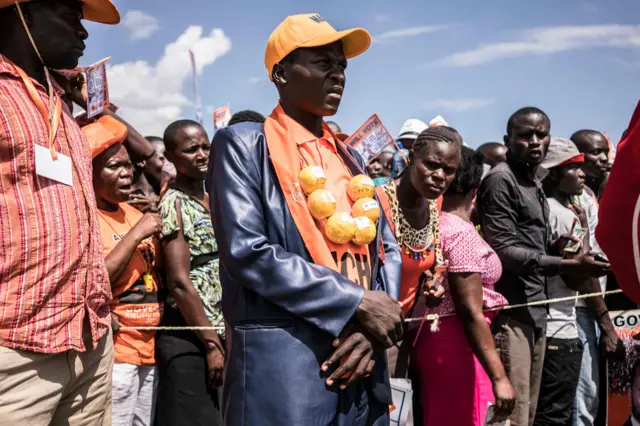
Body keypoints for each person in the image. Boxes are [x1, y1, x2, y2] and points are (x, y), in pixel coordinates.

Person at [209, 14, 403, 426]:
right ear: (281, 72)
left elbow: (385, 247)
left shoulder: (348, 156)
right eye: (323, 63)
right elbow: (247, 251)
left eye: (342, 66)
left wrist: (373, 327)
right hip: (290, 367)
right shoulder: (243, 145)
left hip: (362, 362)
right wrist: (354, 302)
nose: (338, 76)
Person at [0, 1, 120, 424]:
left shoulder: (59, 100)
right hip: (15, 350)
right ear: (25, 14)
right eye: (72, 18)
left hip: (89, 341)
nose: (84, 33)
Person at [476, 107, 610, 426]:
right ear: (508, 140)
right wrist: (567, 262)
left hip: (536, 312)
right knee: (512, 417)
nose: (535, 141)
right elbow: (504, 250)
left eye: (541, 134)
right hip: (511, 315)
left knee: (530, 414)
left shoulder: (532, 180)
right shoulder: (501, 180)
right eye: (525, 135)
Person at [414, 145, 515, 425]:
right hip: (459, 343)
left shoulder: (434, 224)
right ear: (475, 187)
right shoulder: (460, 234)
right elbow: (470, 310)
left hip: (439, 340)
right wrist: (500, 377)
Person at [86, 116, 163, 426]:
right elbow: (96, 280)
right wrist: (137, 233)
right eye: (114, 167)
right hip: (115, 353)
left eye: (128, 166)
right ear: (89, 172)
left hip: (150, 348)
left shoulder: (136, 211)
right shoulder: (86, 217)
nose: (126, 174)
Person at [155, 120, 225, 426]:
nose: (201, 154)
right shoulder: (173, 204)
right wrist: (211, 344)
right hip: (191, 337)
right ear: (171, 157)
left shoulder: (215, 198)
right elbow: (179, 283)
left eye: (205, 146)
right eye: (190, 149)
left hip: (221, 334)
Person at [533, 137, 591, 425]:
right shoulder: (561, 214)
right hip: (560, 328)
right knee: (555, 415)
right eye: (574, 168)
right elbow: (576, 277)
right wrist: (585, 232)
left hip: (546, 326)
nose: (582, 174)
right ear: (555, 174)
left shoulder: (544, 207)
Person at [570, 129, 625, 426]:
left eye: (607, 152)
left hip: (596, 306)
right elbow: (584, 262)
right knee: (582, 401)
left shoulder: (590, 193)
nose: (605, 159)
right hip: (580, 310)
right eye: (597, 153)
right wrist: (605, 323)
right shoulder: (574, 198)